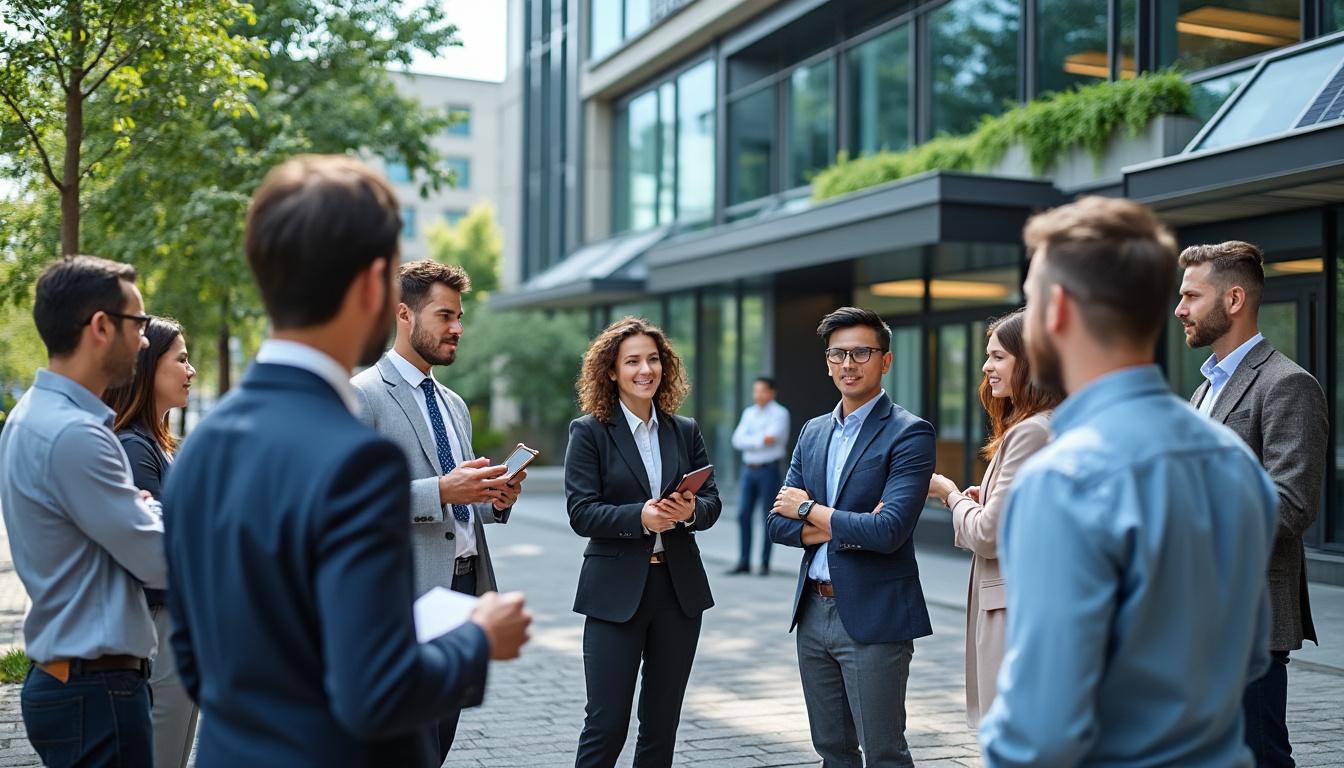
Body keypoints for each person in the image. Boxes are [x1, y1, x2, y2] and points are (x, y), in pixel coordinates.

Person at [161, 155, 532, 768]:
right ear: (375, 288)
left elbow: (194, 659)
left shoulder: (200, 443)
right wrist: (479, 638)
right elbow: (376, 690)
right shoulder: (354, 458)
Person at [979, 196, 1279, 767]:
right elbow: (1251, 658)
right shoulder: (1234, 462)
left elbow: (1038, 735)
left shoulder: (1063, 480)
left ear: (1058, 310)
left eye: (1031, 300)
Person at [351, 258, 525, 760]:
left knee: (440, 738)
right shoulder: (363, 397)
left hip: (467, 587)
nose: (457, 328)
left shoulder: (454, 404)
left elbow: (465, 505)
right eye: (444, 316)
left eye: (459, 316)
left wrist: (496, 499)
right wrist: (439, 493)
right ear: (404, 315)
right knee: (409, 742)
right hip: (408, 594)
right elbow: (350, 503)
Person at [0, 255, 164, 767]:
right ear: (100, 327)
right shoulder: (76, 434)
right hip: (98, 691)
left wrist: (140, 507)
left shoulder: (30, 415)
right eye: (137, 324)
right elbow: (160, 557)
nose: (143, 339)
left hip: (75, 683)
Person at [1175, 240, 1328, 767]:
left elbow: (1291, 503)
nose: (1180, 310)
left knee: (1259, 756)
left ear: (1234, 299)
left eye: (1192, 296)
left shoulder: (1287, 385)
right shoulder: (1203, 392)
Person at [768, 306, 936, 768]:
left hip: (875, 616)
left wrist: (810, 510)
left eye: (861, 352)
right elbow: (775, 524)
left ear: (886, 361)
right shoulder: (813, 431)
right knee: (833, 751)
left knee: (883, 753)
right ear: (827, 361)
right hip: (812, 613)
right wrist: (847, 521)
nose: (848, 363)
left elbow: (888, 531)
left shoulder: (910, 433)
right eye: (838, 353)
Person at [564, 316, 722, 768]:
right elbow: (581, 512)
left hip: (678, 592)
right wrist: (641, 516)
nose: (645, 369)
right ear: (611, 371)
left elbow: (711, 501)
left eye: (653, 359)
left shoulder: (683, 429)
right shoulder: (589, 431)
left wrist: (690, 512)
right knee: (606, 723)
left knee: (661, 724)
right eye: (632, 361)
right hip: (614, 593)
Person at [927, 308, 1062, 728]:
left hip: (1014, 610)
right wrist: (981, 498)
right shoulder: (1042, 424)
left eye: (998, 356)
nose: (987, 367)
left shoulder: (1031, 432)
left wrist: (950, 496)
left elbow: (988, 535)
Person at [101, 316, 200, 768]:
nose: (191, 370)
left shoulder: (159, 443)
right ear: (146, 370)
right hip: (160, 621)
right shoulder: (134, 445)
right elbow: (164, 542)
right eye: (180, 359)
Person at [727, 376, 789, 576]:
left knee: (768, 516)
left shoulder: (780, 414)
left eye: (762, 390)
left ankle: (764, 563)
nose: (758, 395)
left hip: (769, 470)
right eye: (755, 390)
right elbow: (736, 440)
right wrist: (759, 440)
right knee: (743, 514)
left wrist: (750, 441)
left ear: (772, 392)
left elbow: (772, 439)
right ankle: (744, 561)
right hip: (749, 470)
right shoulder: (749, 413)